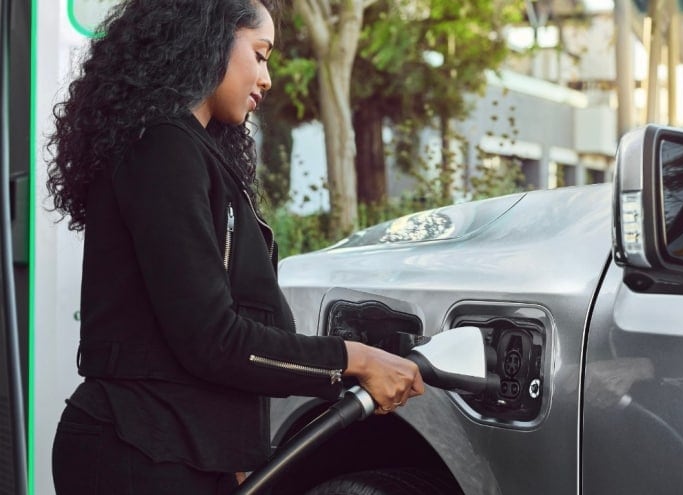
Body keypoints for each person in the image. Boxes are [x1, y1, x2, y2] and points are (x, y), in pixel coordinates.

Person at [46, 1, 424, 493]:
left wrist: (232, 451)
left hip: (173, 449)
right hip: (139, 452)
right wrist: (357, 359)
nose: (266, 78)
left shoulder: (189, 151)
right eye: (260, 54)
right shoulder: (162, 148)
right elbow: (214, 340)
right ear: (209, 39)